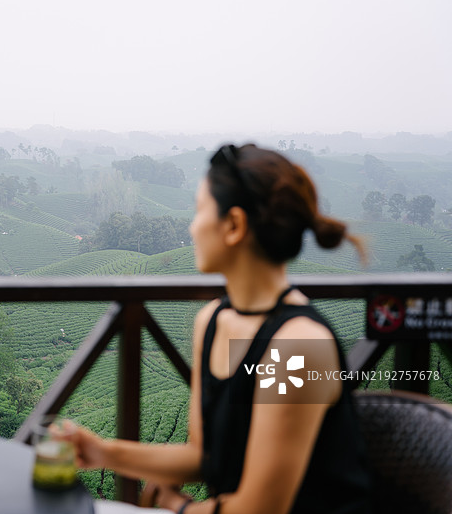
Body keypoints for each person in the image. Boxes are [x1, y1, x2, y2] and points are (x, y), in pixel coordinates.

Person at [64, 144, 373, 514]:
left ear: (234, 226)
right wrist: (102, 451)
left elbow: (259, 509)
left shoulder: (296, 346)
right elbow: (202, 456)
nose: (192, 227)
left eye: (199, 211)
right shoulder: (212, 321)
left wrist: (176, 507)